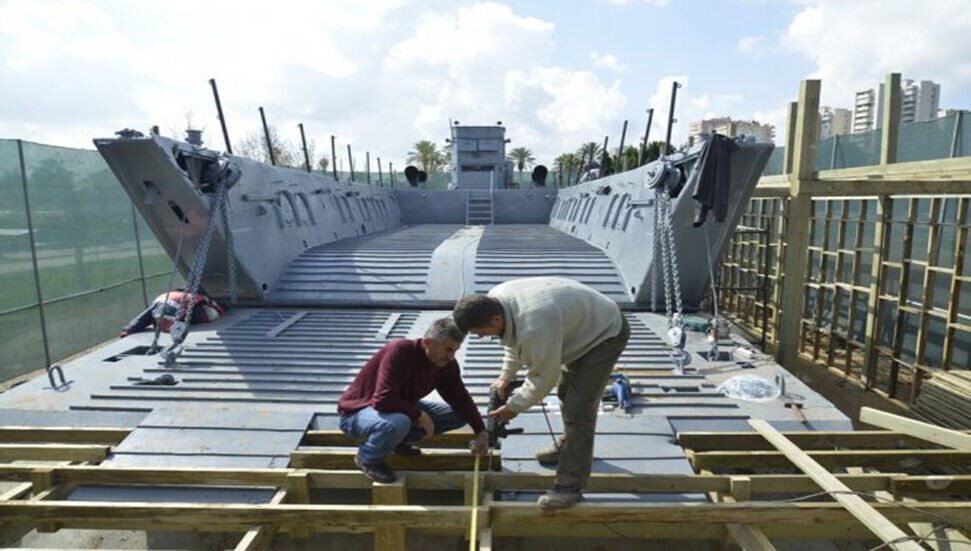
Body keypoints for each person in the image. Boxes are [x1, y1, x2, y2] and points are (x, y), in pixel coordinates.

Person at [452, 277, 630, 509]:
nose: (480, 337)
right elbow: (513, 340)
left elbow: (544, 379)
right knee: (566, 392)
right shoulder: (497, 300)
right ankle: (569, 446)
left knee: (579, 409)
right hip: (575, 327)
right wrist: (506, 376)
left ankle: (570, 486)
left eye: (480, 332)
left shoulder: (535, 324)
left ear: (496, 318)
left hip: (605, 334)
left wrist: (513, 408)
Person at [337, 318, 488, 483]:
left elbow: (461, 398)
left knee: (459, 414)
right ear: (428, 343)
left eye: (455, 351)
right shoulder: (400, 351)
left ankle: (396, 442)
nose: (451, 357)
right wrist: (419, 415)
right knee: (397, 422)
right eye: (448, 350)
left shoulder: (445, 364)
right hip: (358, 414)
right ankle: (368, 458)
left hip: (396, 410)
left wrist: (480, 431)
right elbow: (383, 399)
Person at [119, 289, 225, 338]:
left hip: (164, 313)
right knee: (210, 314)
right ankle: (169, 323)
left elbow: (142, 318)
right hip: (171, 315)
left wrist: (127, 330)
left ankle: (165, 322)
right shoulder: (193, 297)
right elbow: (211, 305)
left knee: (154, 318)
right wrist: (221, 310)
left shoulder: (163, 299)